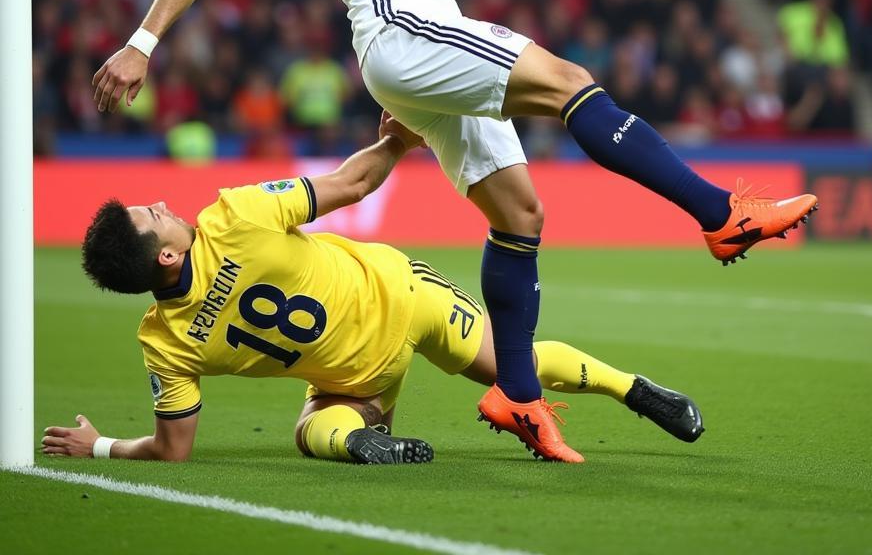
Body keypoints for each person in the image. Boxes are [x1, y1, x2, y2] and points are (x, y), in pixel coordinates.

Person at [92, 0, 816, 461]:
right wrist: (142, 41)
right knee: (572, 82)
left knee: (522, 216)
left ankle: (521, 399)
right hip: (401, 35)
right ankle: (720, 214)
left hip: (430, 47)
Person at [41, 114, 702, 465]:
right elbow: (352, 184)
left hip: (354, 377)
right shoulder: (232, 217)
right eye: (151, 214)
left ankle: (355, 440)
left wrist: (99, 445)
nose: (160, 202)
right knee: (511, 361)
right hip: (402, 295)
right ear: (164, 252)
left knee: (309, 427)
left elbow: (171, 448)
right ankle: (634, 390)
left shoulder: (166, 344)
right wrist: (394, 141)